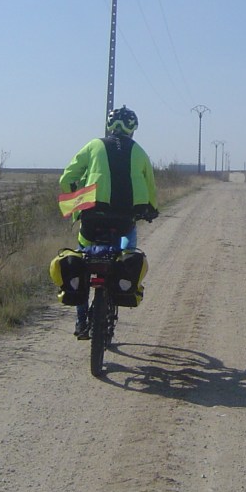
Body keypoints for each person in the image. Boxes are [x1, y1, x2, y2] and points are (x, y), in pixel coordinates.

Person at [59, 106, 158, 338]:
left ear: (109, 125)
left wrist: (77, 200)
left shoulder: (94, 146)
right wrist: (151, 210)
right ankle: (116, 291)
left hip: (92, 219)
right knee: (126, 254)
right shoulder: (140, 152)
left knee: (83, 260)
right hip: (124, 222)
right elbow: (151, 188)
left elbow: (67, 178)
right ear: (133, 128)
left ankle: (81, 320)